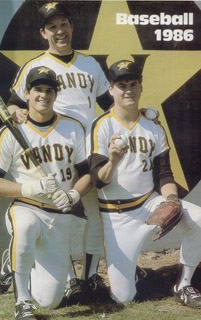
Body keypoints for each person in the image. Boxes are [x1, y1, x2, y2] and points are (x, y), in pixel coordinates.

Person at [0, 1, 113, 303]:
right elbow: (11, 104)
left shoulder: (89, 65)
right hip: (54, 155)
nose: (59, 31)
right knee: (57, 215)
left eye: (63, 24)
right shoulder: (33, 67)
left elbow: (109, 105)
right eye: (52, 26)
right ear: (43, 32)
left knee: (95, 216)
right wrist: (14, 109)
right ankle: (66, 278)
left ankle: (88, 277)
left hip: (89, 153)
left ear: (72, 27)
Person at [87, 59, 201, 307]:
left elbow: (164, 175)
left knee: (199, 218)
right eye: (121, 84)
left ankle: (183, 284)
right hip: (116, 214)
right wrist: (113, 161)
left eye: (133, 83)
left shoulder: (153, 127)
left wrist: (171, 200)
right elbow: (98, 180)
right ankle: (134, 272)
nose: (128, 89)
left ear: (140, 87)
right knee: (123, 297)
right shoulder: (102, 125)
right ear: (111, 89)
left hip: (149, 203)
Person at [0, 66, 92, 319]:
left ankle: (16, 261)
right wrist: (29, 188)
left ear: (56, 95)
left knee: (50, 301)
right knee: (25, 228)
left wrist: (73, 195)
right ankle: (22, 302)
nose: (43, 95)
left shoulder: (73, 127)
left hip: (59, 214)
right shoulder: (10, 131)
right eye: (37, 90)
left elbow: (87, 173)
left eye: (49, 90)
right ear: (27, 93)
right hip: (26, 207)